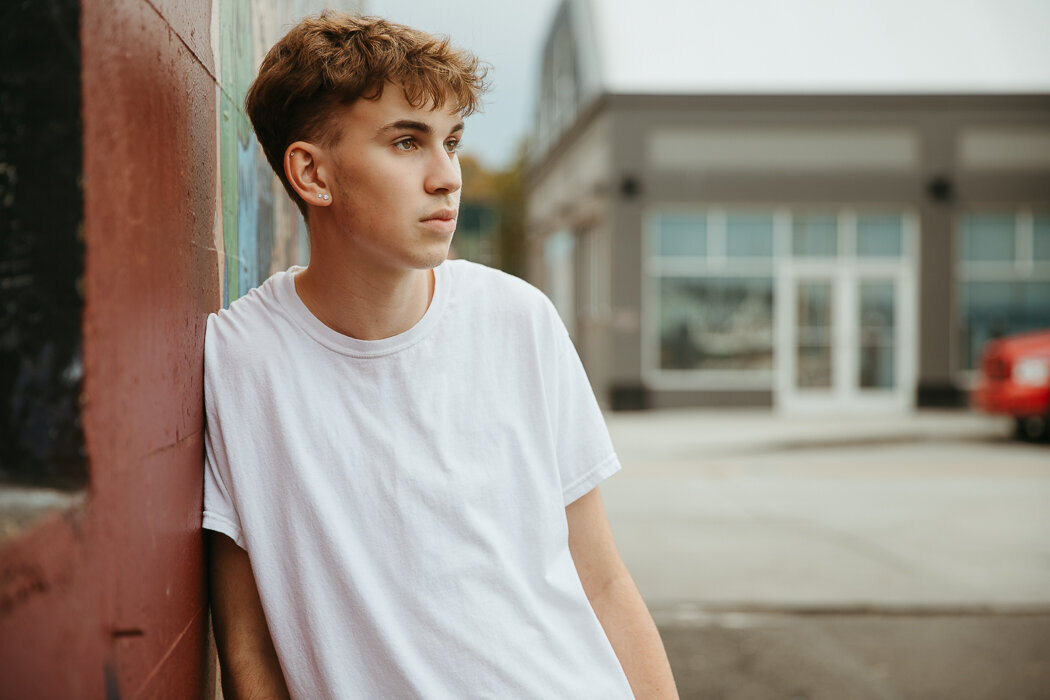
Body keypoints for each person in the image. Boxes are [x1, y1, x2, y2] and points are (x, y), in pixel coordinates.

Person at [203, 11, 678, 699]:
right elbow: (247, 648)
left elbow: (601, 580)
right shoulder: (239, 360)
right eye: (406, 142)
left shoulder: (519, 321)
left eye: (451, 142)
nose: (447, 176)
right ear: (312, 172)